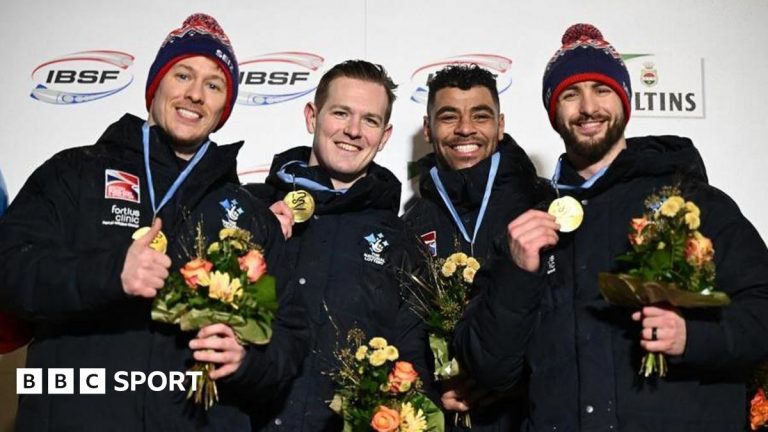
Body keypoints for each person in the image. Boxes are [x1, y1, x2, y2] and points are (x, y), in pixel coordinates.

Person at [454, 23, 768, 431]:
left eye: (601, 90)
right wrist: (517, 274)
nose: (587, 107)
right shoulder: (524, 228)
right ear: (554, 112)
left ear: (624, 101)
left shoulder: (694, 203)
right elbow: (490, 369)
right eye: (570, 94)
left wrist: (693, 337)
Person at [0, 14, 307, 430]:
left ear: (223, 108)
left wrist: (247, 362)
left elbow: (289, 338)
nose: (195, 94)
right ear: (157, 84)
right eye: (182, 75)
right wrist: (110, 272)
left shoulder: (250, 215)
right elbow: (10, 271)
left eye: (214, 85)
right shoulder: (75, 172)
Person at [246, 60, 430, 431]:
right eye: (341, 113)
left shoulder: (400, 241)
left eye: (370, 120)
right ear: (312, 116)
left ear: (385, 135)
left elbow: (413, 367)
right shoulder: (251, 210)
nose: (353, 131)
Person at [402, 64, 541, 431]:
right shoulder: (411, 223)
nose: (465, 129)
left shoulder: (542, 204)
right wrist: (431, 391)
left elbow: (568, 322)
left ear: (501, 124)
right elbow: (400, 332)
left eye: (481, 116)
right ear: (429, 129)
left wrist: (514, 383)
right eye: (449, 117)